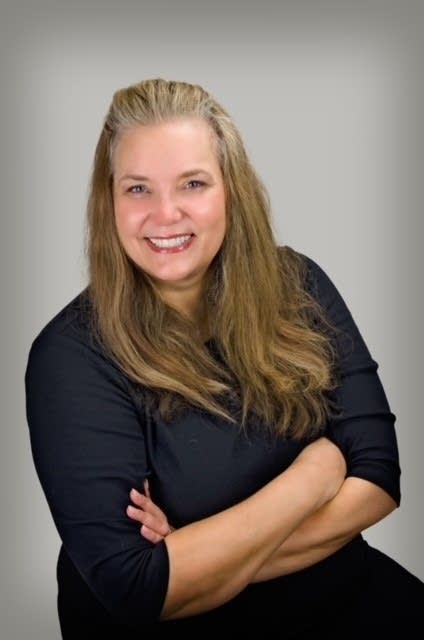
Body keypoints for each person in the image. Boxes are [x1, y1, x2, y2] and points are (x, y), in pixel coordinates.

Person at [25, 78, 423, 638]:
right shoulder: (69, 356)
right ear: (108, 200)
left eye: (193, 183)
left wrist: (198, 552)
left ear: (232, 190)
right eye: (138, 189)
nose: (166, 214)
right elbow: (139, 587)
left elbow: (379, 479)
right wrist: (316, 474)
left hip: (342, 595)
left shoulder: (299, 283)